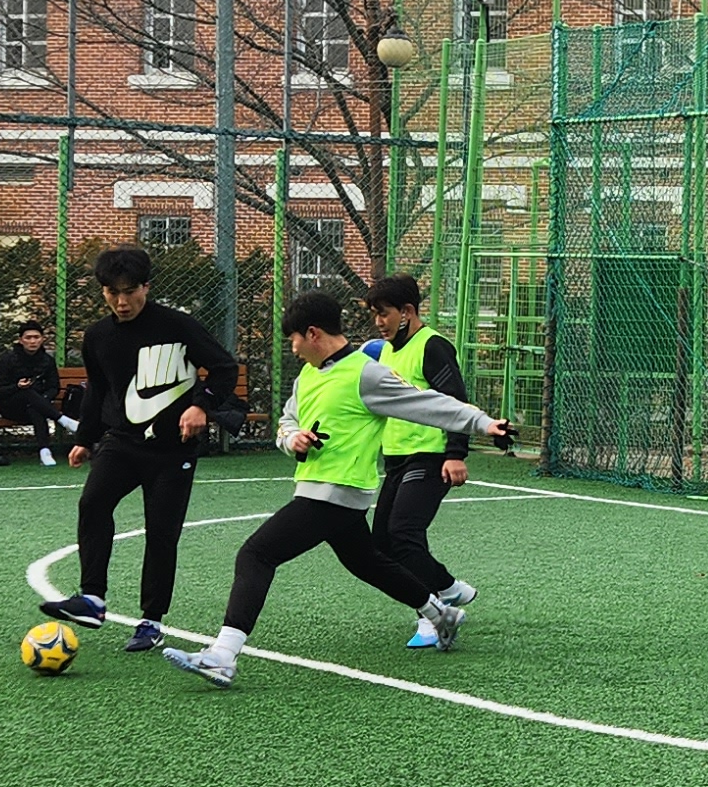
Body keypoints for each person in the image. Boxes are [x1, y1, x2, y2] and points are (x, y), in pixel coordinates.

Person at [162, 291, 482, 689]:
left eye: (294, 340)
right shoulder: (308, 376)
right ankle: (440, 613)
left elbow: (433, 404)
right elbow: (287, 422)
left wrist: (484, 425)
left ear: (312, 333)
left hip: (336, 493)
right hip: (318, 490)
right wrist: (292, 438)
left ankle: (222, 657)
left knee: (256, 553)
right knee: (367, 563)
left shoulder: (366, 372)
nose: (293, 349)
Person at [38, 245, 238, 654]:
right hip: (121, 443)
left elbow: (224, 368)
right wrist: (84, 439)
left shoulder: (177, 325)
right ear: (103, 291)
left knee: (161, 533)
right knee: (93, 503)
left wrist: (201, 405)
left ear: (146, 287)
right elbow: (98, 391)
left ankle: (151, 620)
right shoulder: (98, 337)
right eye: (112, 292)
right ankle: (92, 599)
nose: (122, 301)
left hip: (173, 451)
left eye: (130, 291)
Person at [362, 272, 510, 650]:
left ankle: (436, 606)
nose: (378, 321)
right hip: (397, 459)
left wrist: (455, 454)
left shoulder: (433, 346)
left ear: (407, 311)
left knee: (404, 534)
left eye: (384, 313)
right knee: (382, 544)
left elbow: (455, 401)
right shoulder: (385, 351)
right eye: (374, 314)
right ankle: (444, 594)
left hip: (430, 457)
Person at [0, 320, 69, 464]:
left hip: (38, 406)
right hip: (11, 407)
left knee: (35, 407)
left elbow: (54, 387)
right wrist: (17, 386)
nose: (32, 341)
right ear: (21, 340)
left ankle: (45, 452)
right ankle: (61, 419)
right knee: (27, 393)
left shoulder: (47, 360)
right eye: (28, 338)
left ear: (42, 339)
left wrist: (43, 399)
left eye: (36, 337)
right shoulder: (8, 360)